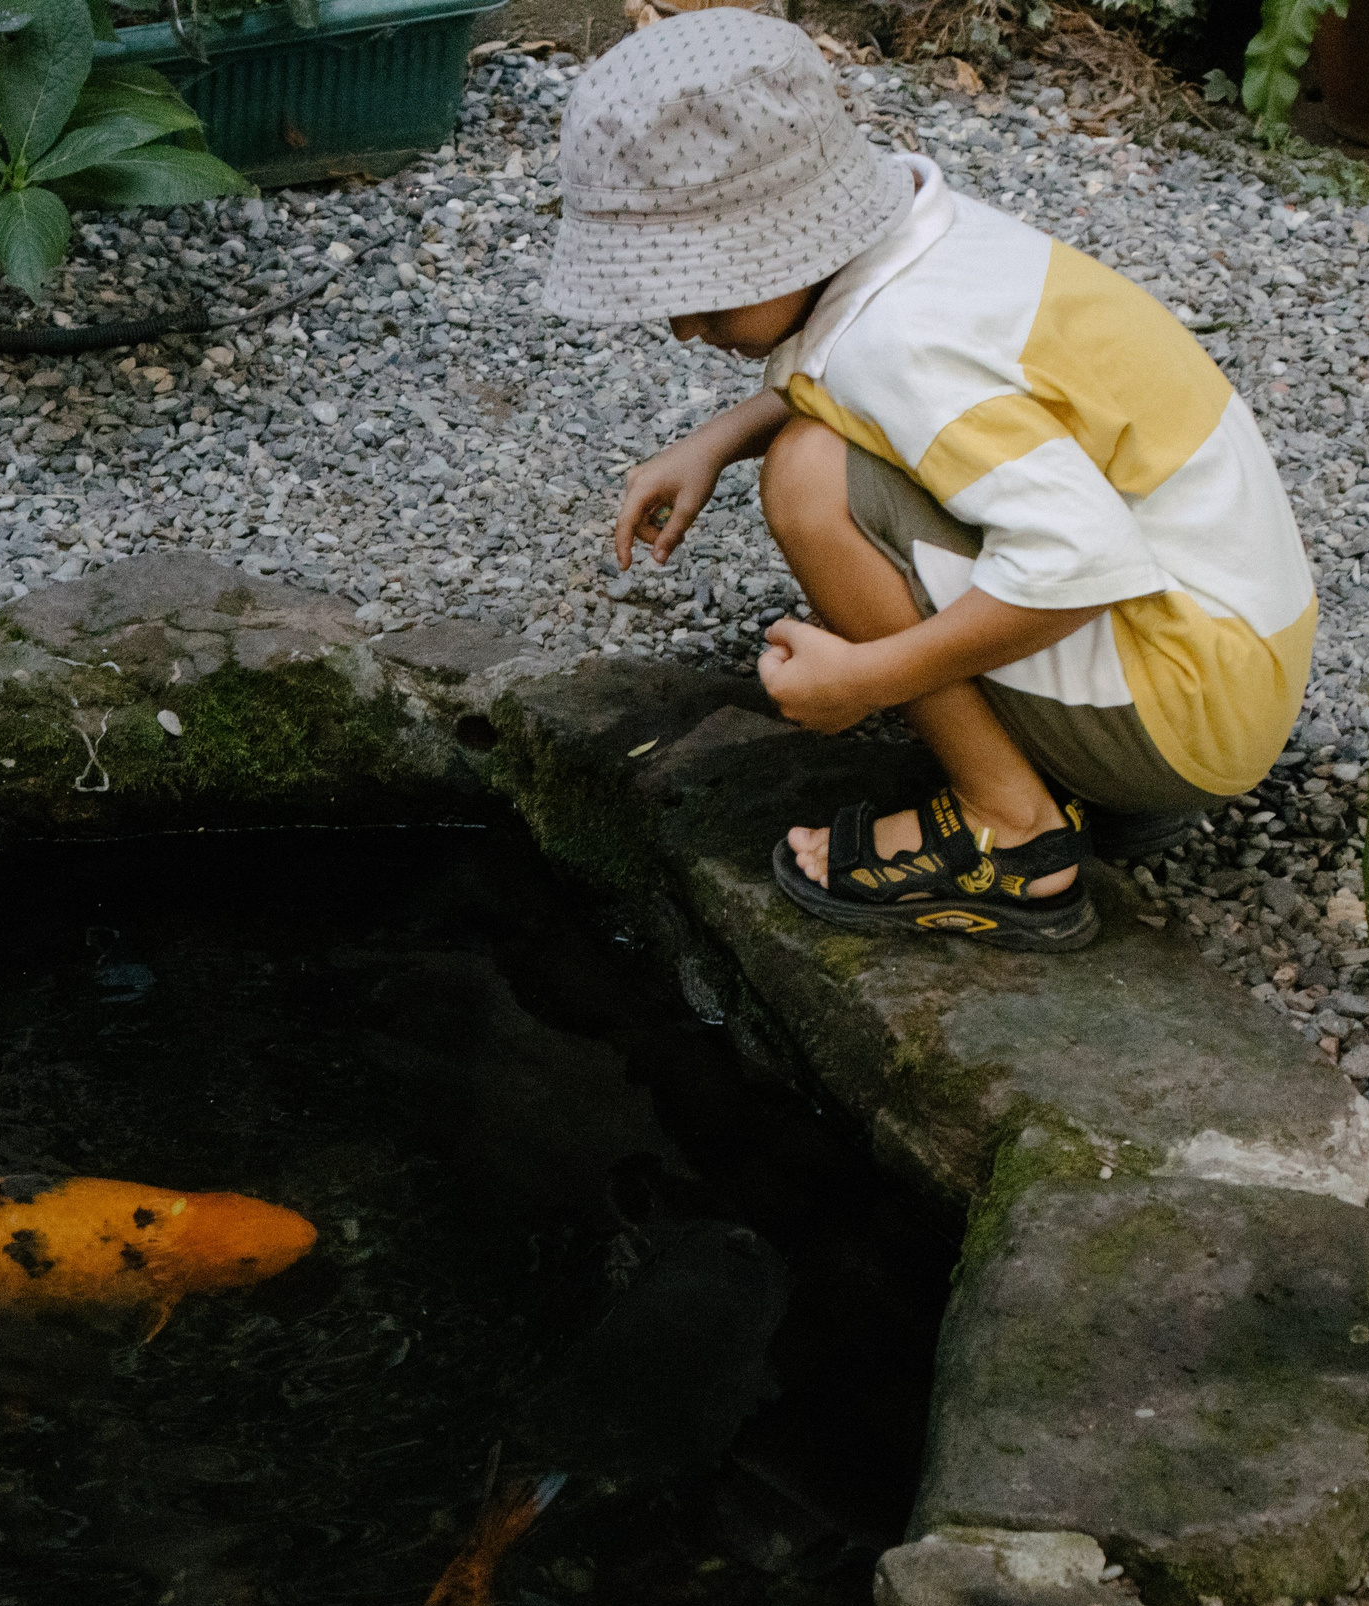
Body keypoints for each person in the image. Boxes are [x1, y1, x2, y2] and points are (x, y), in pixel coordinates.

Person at [539, 10, 1315, 953]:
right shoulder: (922, 231)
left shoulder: (898, 345)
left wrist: (865, 679)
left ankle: (1015, 828)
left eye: (698, 294)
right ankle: (1080, 772)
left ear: (779, 241)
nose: (683, 330)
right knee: (813, 442)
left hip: (1184, 706)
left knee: (810, 477)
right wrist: (720, 434)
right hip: (1233, 662)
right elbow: (863, 371)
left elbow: (1075, 560)